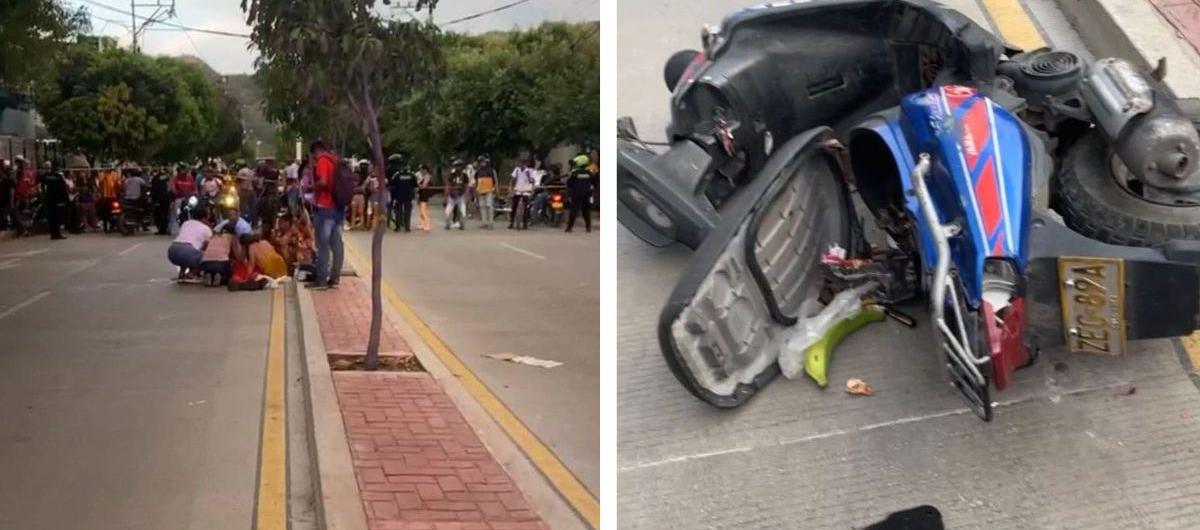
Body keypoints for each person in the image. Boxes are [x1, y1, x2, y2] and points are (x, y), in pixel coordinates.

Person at [309, 141, 344, 289]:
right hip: (338, 207)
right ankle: (335, 278)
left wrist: (312, 187)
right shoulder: (335, 161)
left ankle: (321, 280)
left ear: (316, 152)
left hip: (325, 207)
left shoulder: (323, 161)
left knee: (322, 245)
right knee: (336, 244)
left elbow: (323, 182)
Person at [169, 208, 213, 279]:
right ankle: (191, 273)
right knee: (208, 256)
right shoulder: (207, 229)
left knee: (187, 252)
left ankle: (182, 272)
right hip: (188, 253)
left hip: (172, 251)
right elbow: (207, 247)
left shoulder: (186, 223)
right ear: (206, 216)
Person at [565, 154, 594, 233]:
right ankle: (588, 228)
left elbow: (569, 183)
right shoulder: (589, 173)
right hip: (587, 193)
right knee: (586, 211)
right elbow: (594, 182)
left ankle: (569, 228)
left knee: (574, 210)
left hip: (577, 193)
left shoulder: (575, 173)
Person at [386, 154, 415, 232]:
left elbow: (391, 182)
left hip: (397, 194)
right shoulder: (411, 174)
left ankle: (397, 226)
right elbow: (415, 184)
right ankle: (407, 227)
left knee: (397, 210)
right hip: (408, 195)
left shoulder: (396, 173)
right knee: (407, 211)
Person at [509, 158, 535, 230]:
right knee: (514, 206)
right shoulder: (517, 170)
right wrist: (511, 189)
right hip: (518, 189)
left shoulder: (529, 171)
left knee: (526, 208)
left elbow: (532, 181)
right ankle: (511, 222)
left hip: (526, 190)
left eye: (523, 164)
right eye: (520, 164)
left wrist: (532, 190)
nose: (522, 166)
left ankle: (525, 223)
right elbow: (512, 180)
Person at [42, 170, 68, 240]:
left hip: (49, 200)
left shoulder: (46, 177)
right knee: (57, 218)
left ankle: (53, 234)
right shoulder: (59, 177)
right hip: (57, 200)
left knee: (51, 218)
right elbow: (63, 189)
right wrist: (64, 199)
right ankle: (57, 234)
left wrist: (44, 196)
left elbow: (42, 186)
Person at [444, 159, 469, 230]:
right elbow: (448, 185)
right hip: (452, 196)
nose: (458, 168)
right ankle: (447, 223)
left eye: (460, 166)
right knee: (447, 212)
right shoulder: (451, 175)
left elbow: (466, 186)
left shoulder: (464, 175)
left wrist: (466, 195)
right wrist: (446, 194)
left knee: (463, 212)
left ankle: (462, 224)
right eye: (457, 166)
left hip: (460, 196)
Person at [474, 156, 498, 229]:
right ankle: (484, 222)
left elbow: (495, 181)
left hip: (489, 191)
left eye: (483, 162)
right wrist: (476, 189)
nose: (482, 163)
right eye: (481, 162)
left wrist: (495, 189)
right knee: (482, 207)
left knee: (489, 206)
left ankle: (490, 223)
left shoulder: (491, 171)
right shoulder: (478, 171)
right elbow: (476, 181)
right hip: (481, 191)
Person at [151, 170, 172, 235]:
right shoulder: (168, 179)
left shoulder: (155, 179)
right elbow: (170, 189)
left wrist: (154, 199)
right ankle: (164, 228)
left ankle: (162, 229)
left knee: (159, 215)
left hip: (159, 199)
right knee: (165, 214)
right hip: (166, 199)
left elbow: (154, 190)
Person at [416, 164, 433, 231]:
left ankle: (427, 224)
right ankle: (422, 223)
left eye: (421, 169)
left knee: (423, 210)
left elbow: (424, 186)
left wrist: (417, 184)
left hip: (425, 194)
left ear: (425, 170)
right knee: (421, 210)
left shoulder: (427, 176)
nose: (420, 171)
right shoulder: (421, 176)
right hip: (421, 194)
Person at [0, 160, 13, 232]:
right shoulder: (3, 181)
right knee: (3, 212)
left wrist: (11, 199)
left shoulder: (8, 181)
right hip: (2, 199)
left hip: (5, 199)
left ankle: (6, 225)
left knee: (5, 212)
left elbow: (11, 191)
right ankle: (4, 225)